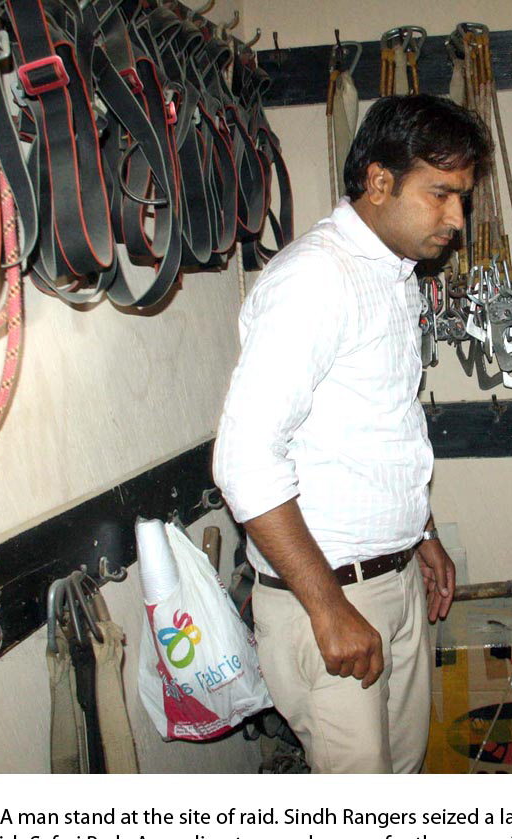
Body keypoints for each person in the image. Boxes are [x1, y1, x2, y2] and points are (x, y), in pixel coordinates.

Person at [213, 95, 493, 773]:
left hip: (388, 585)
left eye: (464, 198)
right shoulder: (317, 278)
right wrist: (328, 607)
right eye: (442, 195)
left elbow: (378, 427)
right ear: (378, 182)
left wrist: (419, 535)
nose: (458, 219)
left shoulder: (392, 275)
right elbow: (243, 459)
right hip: (330, 598)